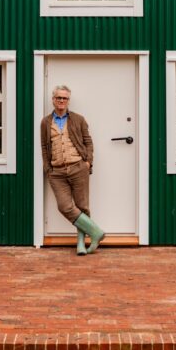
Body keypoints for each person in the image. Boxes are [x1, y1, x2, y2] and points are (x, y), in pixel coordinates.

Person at [41, 85, 105, 255]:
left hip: (78, 167)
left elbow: (88, 142)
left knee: (82, 206)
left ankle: (81, 244)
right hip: (57, 172)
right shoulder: (46, 122)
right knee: (64, 206)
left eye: (65, 98)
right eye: (58, 98)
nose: (61, 101)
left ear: (68, 100)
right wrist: (48, 169)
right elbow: (44, 146)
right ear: (53, 100)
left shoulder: (78, 119)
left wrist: (88, 163)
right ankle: (96, 232)